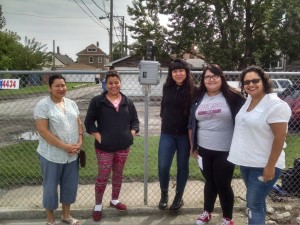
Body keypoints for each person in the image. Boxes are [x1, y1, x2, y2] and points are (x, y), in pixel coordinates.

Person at [228, 66, 291, 225]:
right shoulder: (249, 100)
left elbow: (280, 137)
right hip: (247, 163)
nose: (251, 84)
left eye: (255, 80)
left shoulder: (276, 105)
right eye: (246, 82)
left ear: (264, 81)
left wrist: (270, 166)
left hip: (264, 165)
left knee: (253, 204)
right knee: (258, 201)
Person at [188, 64, 245, 225]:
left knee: (222, 184)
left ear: (221, 78)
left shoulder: (234, 97)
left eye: (215, 76)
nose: (211, 79)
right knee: (210, 182)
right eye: (207, 77)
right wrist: (193, 146)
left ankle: (228, 218)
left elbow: (245, 120)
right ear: (203, 80)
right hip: (204, 150)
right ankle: (207, 212)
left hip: (226, 150)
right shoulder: (198, 98)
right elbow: (192, 124)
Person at [84, 70, 139, 222]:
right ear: (105, 84)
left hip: (123, 146)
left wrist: (131, 134)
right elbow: (89, 122)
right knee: (103, 175)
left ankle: (114, 199)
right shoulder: (97, 101)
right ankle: (98, 205)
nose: (114, 85)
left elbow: (135, 121)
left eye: (116, 82)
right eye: (110, 83)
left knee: (118, 174)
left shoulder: (128, 101)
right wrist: (98, 136)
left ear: (120, 83)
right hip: (104, 147)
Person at [33, 74, 83, 225]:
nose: (61, 88)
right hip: (51, 155)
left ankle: (66, 215)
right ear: (50, 88)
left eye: (63, 85)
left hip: (72, 155)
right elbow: (43, 131)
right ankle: (50, 218)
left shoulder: (72, 103)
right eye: (57, 86)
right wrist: (64, 146)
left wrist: (80, 141)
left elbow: (79, 123)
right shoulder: (43, 105)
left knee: (69, 185)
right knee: (50, 186)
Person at [158, 59, 195, 211]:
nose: (178, 74)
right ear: (171, 74)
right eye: (175, 71)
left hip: (184, 136)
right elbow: (163, 108)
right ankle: (164, 194)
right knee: (163, 166)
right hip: (167, 134)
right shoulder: (167, 88)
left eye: (181, 70)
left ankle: (178, 197)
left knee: (182, 166)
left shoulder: (194, 90)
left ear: (186, 72)